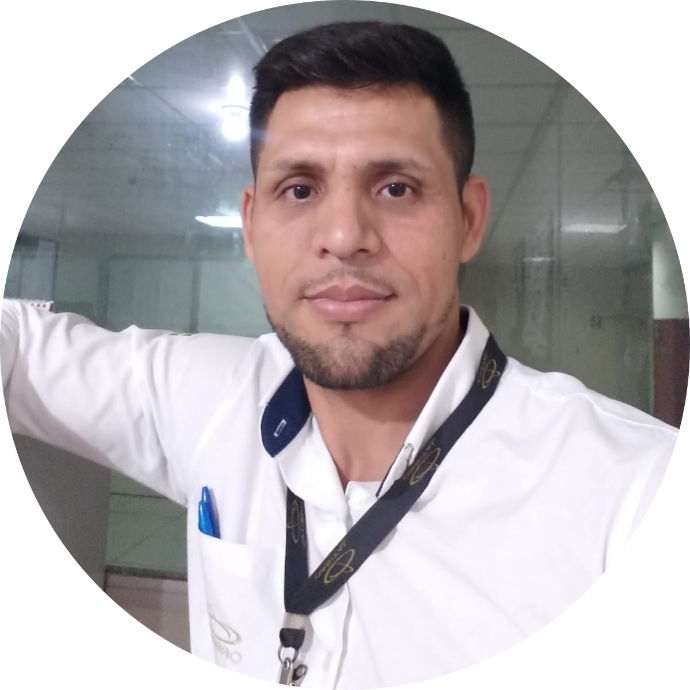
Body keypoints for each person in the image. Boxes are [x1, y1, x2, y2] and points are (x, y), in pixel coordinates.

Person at [0, 21, 678, 688]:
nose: (346, 235)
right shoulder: (208, 396)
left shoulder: (623, 491)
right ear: (251, 225)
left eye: (396, 187)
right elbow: (20, 346)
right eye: (299, 189)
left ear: (470, 219)